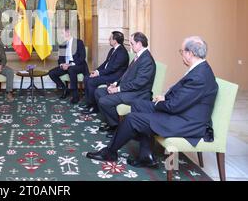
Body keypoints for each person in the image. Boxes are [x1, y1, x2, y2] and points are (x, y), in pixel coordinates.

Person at [86, 36, 218, 168]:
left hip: (186, 122)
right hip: (182, 113)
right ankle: (146, 155)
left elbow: (174, 106)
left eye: (182, 51)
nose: (181, 54)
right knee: (139, 104)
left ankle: (110, 152)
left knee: (132, 118)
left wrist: (159, 103)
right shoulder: (200, 70)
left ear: (190, 53)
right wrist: (164, 98)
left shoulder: (199, 76)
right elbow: (184, 98)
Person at [94, 32, 156, 137]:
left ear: (139, 44)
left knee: (104, 101)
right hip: (129, 89)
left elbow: (138, 84)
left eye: (132, 43)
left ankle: (117, 128)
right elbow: (126, 74)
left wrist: (118, 89)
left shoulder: (147, 60)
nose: (130, 46)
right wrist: (115, 84)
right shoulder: (139, 56)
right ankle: (112, 124)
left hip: (138, 94)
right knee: (99, 92)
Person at [80, 31, 129, 114]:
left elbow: (112, 69)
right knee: (87, 77)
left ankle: (94, 107)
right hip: (108, 73)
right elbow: (105, 63)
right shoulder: (112, 50)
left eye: (110, 38)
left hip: (114, 77)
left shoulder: (122, 53)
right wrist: (96, 71)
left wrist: (98, 74)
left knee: (92, 81)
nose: (109, 40)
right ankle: (89, 103)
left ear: (115, 41)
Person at [48, 28, 89, 105]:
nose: (61, 35)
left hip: (78, 65)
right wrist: (62, 64)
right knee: (51, 73)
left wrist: (70, 65)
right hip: (66, 65)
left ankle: (75, 96)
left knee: (71, 70)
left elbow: (82, 57)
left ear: (68, 32)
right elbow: (60, 59)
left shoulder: (78, 42)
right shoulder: (62, 44)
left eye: (62, 33)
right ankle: (65, 89)